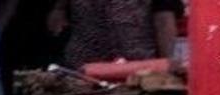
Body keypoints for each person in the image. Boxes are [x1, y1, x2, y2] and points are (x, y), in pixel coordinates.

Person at [46, 0, 185, 69]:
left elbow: (164, 20)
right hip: (83, 71)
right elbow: (56, 16)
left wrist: (166, 64)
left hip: (139, 70)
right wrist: (59, 9)